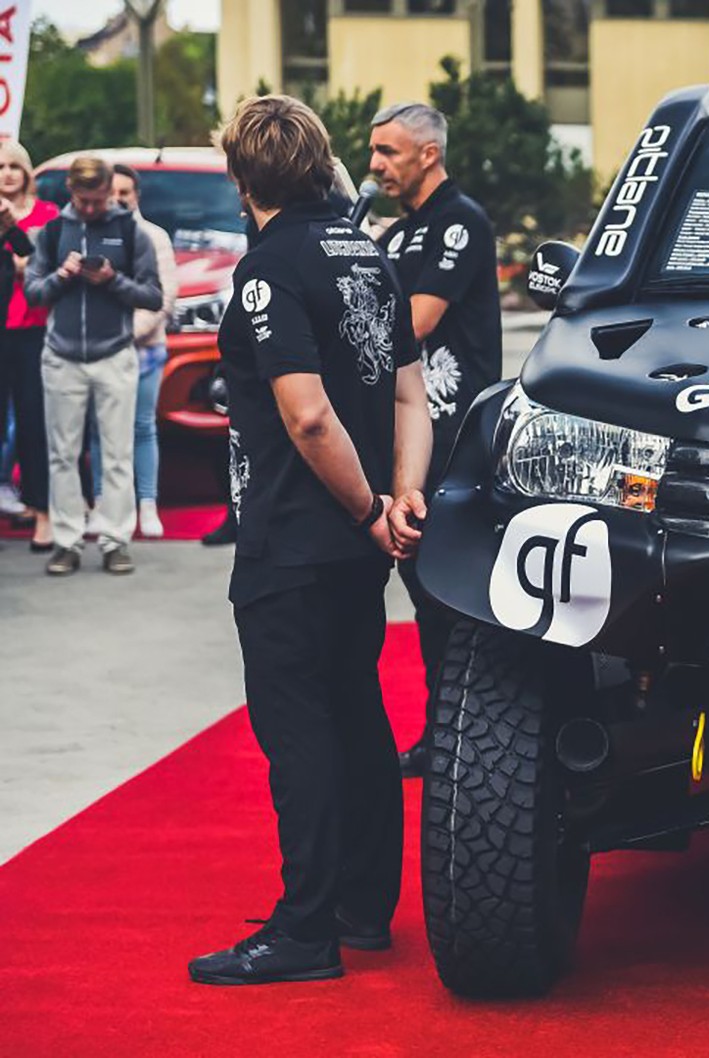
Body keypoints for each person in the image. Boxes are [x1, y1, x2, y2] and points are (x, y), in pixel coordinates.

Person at [186, 95, 432, 986]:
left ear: (242, 177)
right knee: (356, 715)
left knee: (299, 732)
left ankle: (304, 930)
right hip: (356, 544)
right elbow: (412, 395)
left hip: (295, 536)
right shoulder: (366, 254)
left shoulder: (268, 268)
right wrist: (400, 500)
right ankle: (363, 910)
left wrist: (372, 507)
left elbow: (306, 414)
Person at [368, 101, 502, 777]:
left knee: (451, 594)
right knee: (424, 594)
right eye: (372, 151)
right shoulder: (398, 233)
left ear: (428, 153)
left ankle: (466, 738)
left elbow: (413, 323)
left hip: (454, 436)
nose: (374, 165)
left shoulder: (459, 222)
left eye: (388, 152)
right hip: (408, 432)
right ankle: (443, 733)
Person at [23, 157, 164, 575]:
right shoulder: (50, 232)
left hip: (115, 352)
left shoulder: (128, 230)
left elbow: (154, 296)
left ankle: (115, 540)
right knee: (62, 453)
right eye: (83, 201)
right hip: (62, 355)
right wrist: (62, 276)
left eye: (97, 201)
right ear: (70, 191)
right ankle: (66, 541)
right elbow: (33, 292)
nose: (89, 209)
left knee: (118, 452)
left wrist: (112, 281)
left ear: (108, 193)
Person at [83, 164, 177, 538]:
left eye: (126, 192)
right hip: (98, 353)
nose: (119, 198)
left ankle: (147, 506)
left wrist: (126, 335)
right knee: (99, 431)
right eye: (113, 192)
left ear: (136, 195)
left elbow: (164, 299)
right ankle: (102, 504)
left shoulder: (154, 237)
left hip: (144, 352)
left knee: (141, 427)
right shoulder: (91, 235)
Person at [0, 139, 59, 550]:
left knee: (34, 422)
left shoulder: (47, 215)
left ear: (26, 171)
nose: (6, 174)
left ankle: (42, 511)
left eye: (13, 166)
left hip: (32, 330)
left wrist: (12, 230)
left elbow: (40, 263)